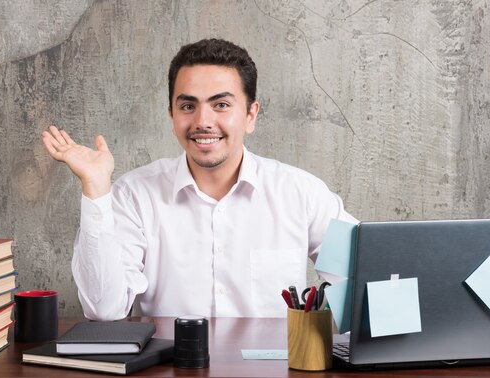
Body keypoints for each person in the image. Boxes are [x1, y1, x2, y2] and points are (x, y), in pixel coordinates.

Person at [42, 38, 357, 320]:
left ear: (250, 115)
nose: (203, 122)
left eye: (221, 105)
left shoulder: (301, 194)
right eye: (188, 106)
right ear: (172, 114)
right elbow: (103, 309)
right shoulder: (135, 195)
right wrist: (96, 189)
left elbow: (364, 276)